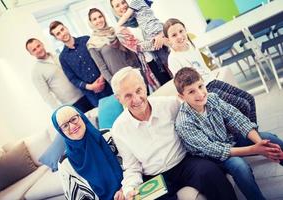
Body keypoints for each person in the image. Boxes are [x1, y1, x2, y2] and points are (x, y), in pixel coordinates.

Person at [110, 67, 237, 200]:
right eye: (128, 95)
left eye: (138, 90)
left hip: (184, 162)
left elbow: (198, 110)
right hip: (155, 177)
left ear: (144, 86)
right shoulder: (119, 129)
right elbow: (132, 167)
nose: (136, 99)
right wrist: (129, 189)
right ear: (119, 99)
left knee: (211, 172)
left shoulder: (170, 104)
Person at [174, 67, 283, 200]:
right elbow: (214, 150)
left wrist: (260, 144)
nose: (200, 94)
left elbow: (237, 118)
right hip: (212, 158)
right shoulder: (184, 123)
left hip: (228, 140)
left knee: (271, 139)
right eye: (191, 91)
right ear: (181, 97)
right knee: (240, 167)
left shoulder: (212, 98)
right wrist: (254, 149)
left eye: (200, 86)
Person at [163, 18, 257, 123]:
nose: (180, 36)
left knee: (249, 99)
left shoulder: (191, 46)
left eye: (181, 31)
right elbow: (185, 87)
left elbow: (204, 68)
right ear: (168, 40)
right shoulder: (173, 59)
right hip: (203, 90)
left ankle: (254, 134)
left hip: (212, 81)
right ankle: (249, 136)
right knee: (242, 105)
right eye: (174, 35)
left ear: (185, 30)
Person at [52, 105, 123, 200]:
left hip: (130, 190)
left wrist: (125, 189)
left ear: (81, 117)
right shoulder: (65, 163)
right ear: (61, 132)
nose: (72, 126)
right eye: (65, 125)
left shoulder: (108, 136)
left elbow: (131, 165)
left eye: (73, 119)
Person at [49, 21, 112, 107]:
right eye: (58, 34)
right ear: (57, 38)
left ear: (66, 28)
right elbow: (72, 79)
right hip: (93, 94)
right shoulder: (63, 57)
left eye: (62, 29)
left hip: (108, 82)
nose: (62, 34)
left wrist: (102, 78)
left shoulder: (86, 40)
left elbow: (102, 58)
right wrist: (91, 87)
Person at [110, 0, 171, 87]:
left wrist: (161, 35)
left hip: (166, 54)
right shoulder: (120, 29)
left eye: (123, 2)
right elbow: (138, 47)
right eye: (117, 5)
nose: (122, 6)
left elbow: (161, 27)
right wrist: (157, 41)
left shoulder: (140, 13)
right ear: (114, 10)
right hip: (152, 63)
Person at [25, 38, 94, 112]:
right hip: (73, 105)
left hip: (86, 93)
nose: (38, 50)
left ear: (42, 44)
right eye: (34, 50)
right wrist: (60, 111)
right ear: (31, 54)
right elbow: (46, 96)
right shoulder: (36, 72)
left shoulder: (60, 56)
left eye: (38, 46)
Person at [87, 8, 141, 83]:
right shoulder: (92, 43)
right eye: (94, 19)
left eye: (100, 16)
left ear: (104, 17)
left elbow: (129, 51)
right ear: (91, 22)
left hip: (134, 71)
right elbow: (102, 68)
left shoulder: (115, 30)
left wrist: (138, 69)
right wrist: (113, 83)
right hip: (119, 80)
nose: (99, 20)